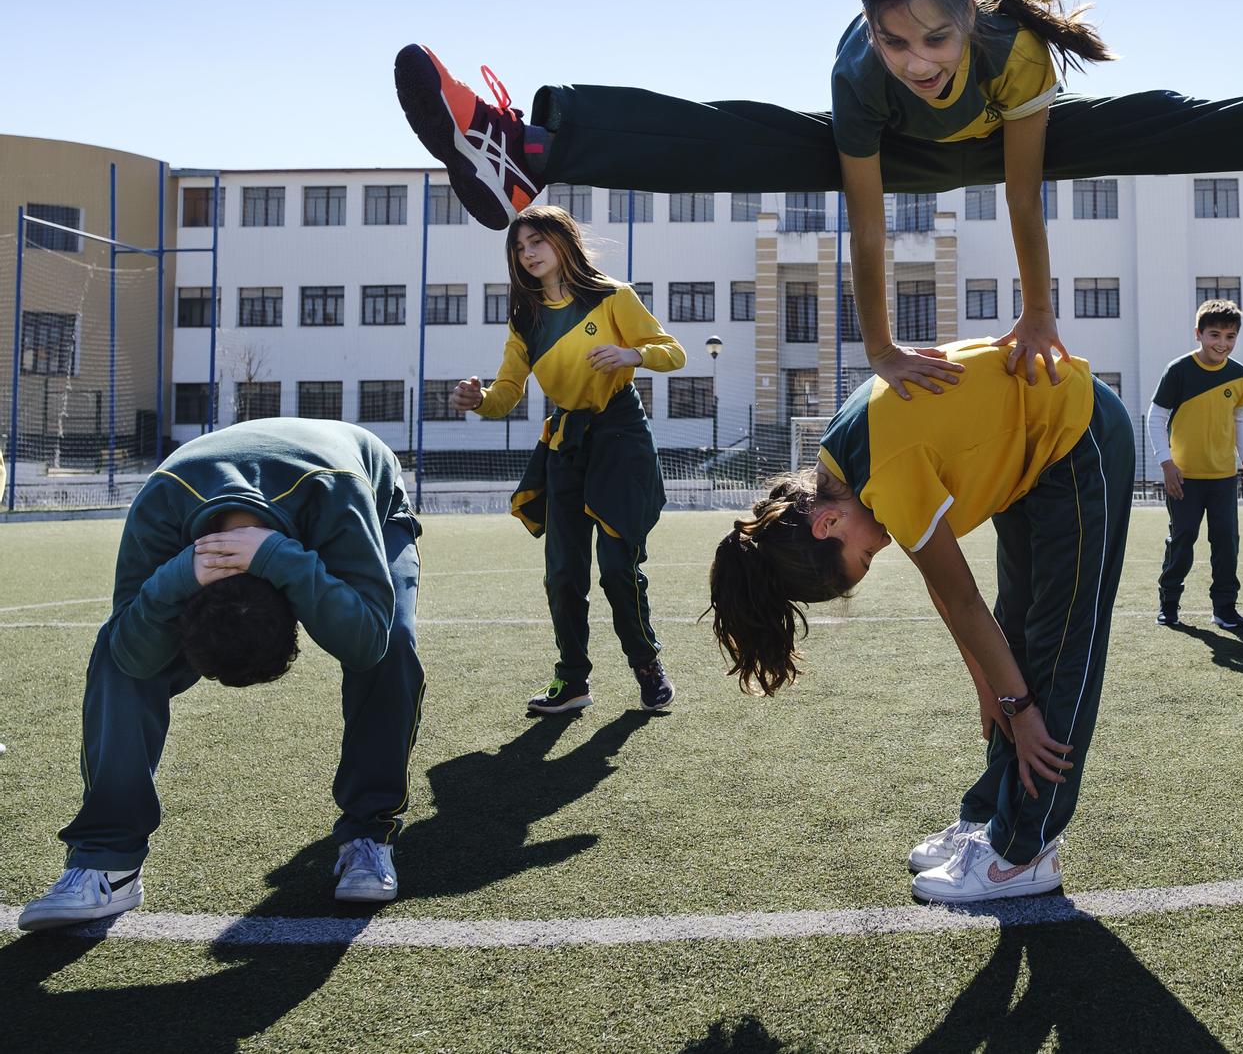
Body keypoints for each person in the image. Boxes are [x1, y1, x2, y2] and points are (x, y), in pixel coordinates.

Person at [397, 0, 1243, 399]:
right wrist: (884, 346)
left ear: (969, 19)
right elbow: (860, 220)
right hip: (888, 160)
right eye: (895, 40)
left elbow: (1025, 201)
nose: (917, 58)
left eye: (933, 36)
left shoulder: (1007, 56)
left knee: (1174, 119)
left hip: (1005, 148)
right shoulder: (861, 78)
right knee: (745, 136)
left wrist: (1038, 313)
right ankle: (526, 148)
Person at [706, 342, 1133, 905]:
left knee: (1060, 649)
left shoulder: (883, 475)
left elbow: (963, 600)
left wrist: (1021, 709)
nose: (877, 551)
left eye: (861, 559)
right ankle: (989, 816)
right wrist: (990, 687)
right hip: (1032, 460)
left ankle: (1025, 849)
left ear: (826, 523)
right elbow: (944, 585)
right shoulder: (840, 470)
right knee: (1017, 640)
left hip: (1080, 439)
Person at [16, 420, 426, 929]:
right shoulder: (162, 508)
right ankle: (107, 861)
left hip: (364, 491)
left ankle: (370, 834)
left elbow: (367, 644)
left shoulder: (336, 494)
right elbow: (129, 652)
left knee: (393, 646)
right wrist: (177, 576)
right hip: (200, 493)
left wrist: (284, 560)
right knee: (116, 653)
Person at [449, 205, 687, 716]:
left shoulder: (613, 297)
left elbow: (673, 351)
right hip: (564, 443)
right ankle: (572, 682)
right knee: (562, 572)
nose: (528, 253)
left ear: (563, 242)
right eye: (519, 247)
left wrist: (633, 355)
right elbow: (507, 394)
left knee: (619, 568)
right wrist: (479, 399)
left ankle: (647, 667)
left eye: (536, 241)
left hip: (621, 437)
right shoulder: (524, 318)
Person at [1147, 299, 1243, 632]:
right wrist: (1166, 464)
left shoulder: (1239, 374)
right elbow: (1156, 418)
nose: (1222, 344)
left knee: (1226, 542)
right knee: (1182, 541)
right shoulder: (1178, 370)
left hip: (1224, 477)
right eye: (1214, 335)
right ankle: (1169, 603)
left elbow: (1241, 420)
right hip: (1184, 478)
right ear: (1198, 333)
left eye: (1230, 336)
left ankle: (1224, 607)